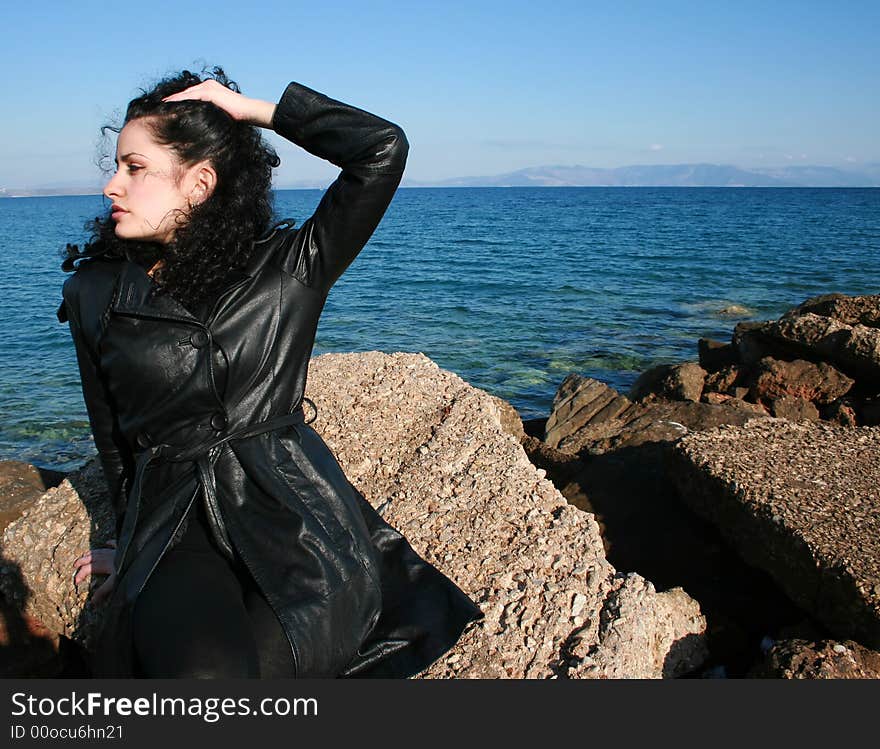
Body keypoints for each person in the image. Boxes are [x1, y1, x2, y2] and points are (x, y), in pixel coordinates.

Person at [60, 67, 484, 678]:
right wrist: (128, 546)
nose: (111, 185)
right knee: (203, 681)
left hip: (294, 519)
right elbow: (114, 439)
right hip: (176, 526)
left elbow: (381, 149)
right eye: (117, 166)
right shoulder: (95, 293)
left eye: (134, 166)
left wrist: (249, 109)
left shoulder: (289, 268)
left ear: (199, 183)